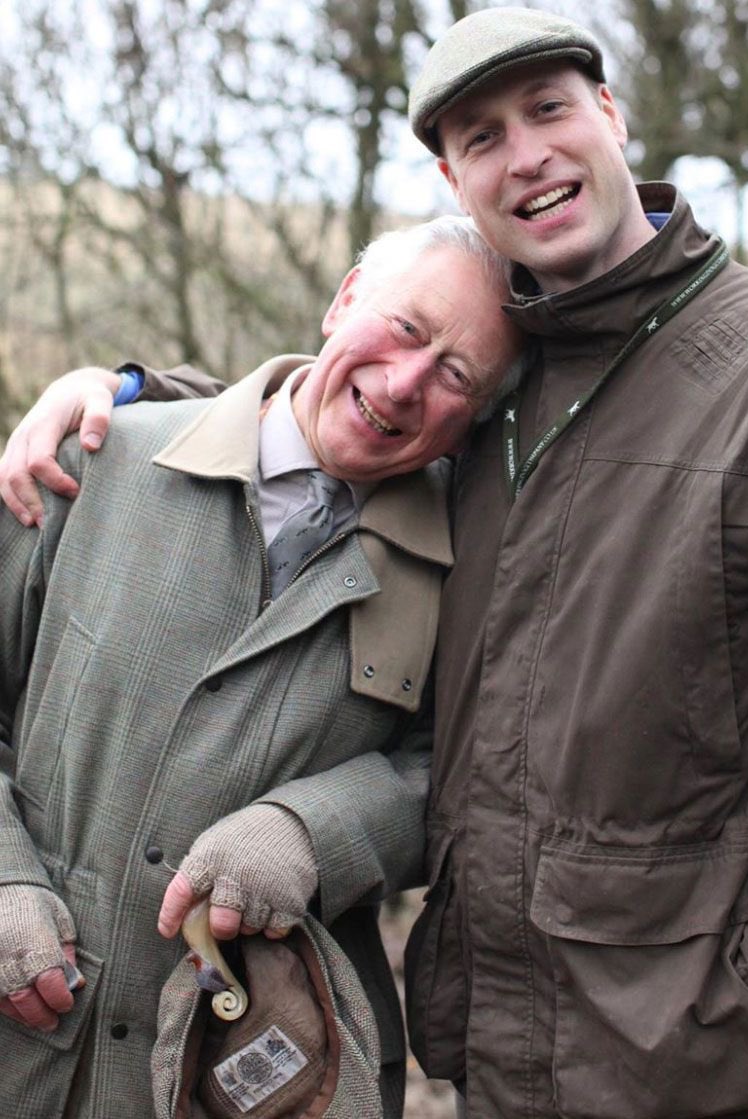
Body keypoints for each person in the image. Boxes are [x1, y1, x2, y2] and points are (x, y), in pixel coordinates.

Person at [3, 8, 748, 1119]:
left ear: (611, 113)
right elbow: (307, 427)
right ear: (450, 187)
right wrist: (119, 395)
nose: (529, 154)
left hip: (710, 1061)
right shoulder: (108, 469)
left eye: (551, 109)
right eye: (481, 137)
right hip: (498, 1058)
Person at [0, 214, 523, 1119]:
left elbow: (471, 774)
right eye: (405, 328)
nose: (403, 384)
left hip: (259, 1061)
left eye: (455, 376)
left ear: (471, 423)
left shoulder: (474, 568)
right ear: (343, 299)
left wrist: (315, 829)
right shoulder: (95, 460)